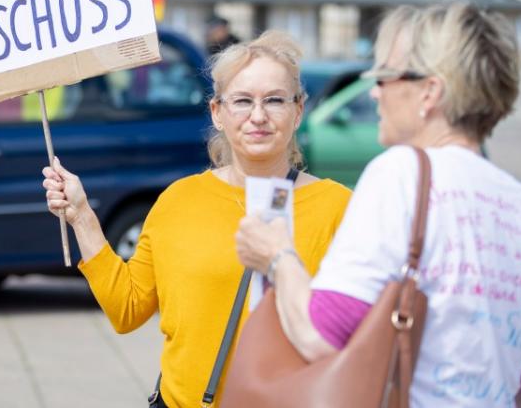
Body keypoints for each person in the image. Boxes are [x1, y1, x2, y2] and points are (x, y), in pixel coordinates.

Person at [235, 2, 521, 407]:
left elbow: (321, 335)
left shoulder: (403, 173)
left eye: (386, 76)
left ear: (430, 92)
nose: (374, 91)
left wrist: (277, 255)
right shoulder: (520, 205)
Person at [43, 31, 351, 407]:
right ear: (217, 113)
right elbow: (127, 308)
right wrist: (81, 216)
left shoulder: (339, 208)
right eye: (242, 101)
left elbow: (352, 336)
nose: (258, 116)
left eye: (274, 100)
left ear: (298, 110)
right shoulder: (179, 201)